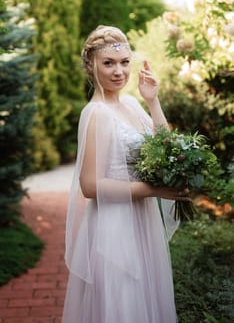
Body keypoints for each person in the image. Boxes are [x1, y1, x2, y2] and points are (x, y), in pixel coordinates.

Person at [62, 25, 190, 323]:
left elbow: (167, 147)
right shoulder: (96, 114)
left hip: (142, 220)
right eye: (108, 63)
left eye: (124, 62)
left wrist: (153, 100)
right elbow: (90, 186)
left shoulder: (131, 105)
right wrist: (153, 190)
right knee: (123, 303)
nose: (119, 71)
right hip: (114, 224)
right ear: (91, 66)